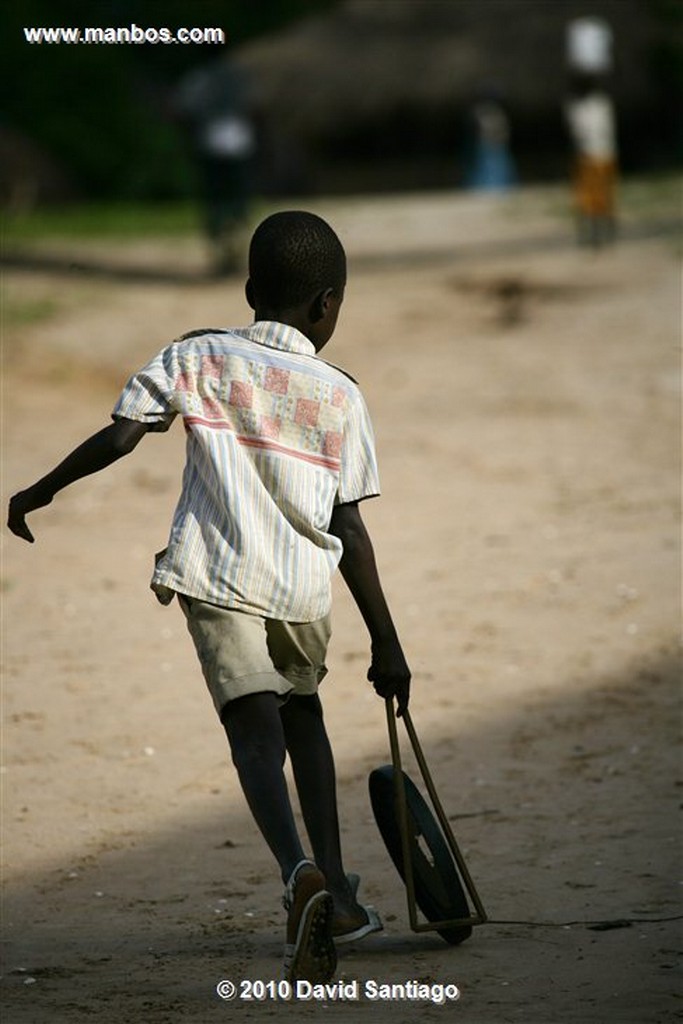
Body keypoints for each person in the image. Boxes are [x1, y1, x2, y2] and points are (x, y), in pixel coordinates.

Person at [7, 211, 411, 985]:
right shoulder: (340, 396)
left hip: (219, 578)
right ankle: (340, 891)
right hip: (302, 591)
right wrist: (387, 645)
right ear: (328, 306)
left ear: (251, 289)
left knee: (251, 731)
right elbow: (349, 530)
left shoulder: (196, 354)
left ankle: (300, 876)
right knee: (305, 720)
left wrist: (39, 490)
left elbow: (121, 436)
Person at [565, 72, 618, 247]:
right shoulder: (596, 105)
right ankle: (594, 232)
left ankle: (601, 231)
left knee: (598, 195)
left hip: (597, 155)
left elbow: (580, 132)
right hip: (594, 155)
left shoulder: (593, 106)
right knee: (589, 197)